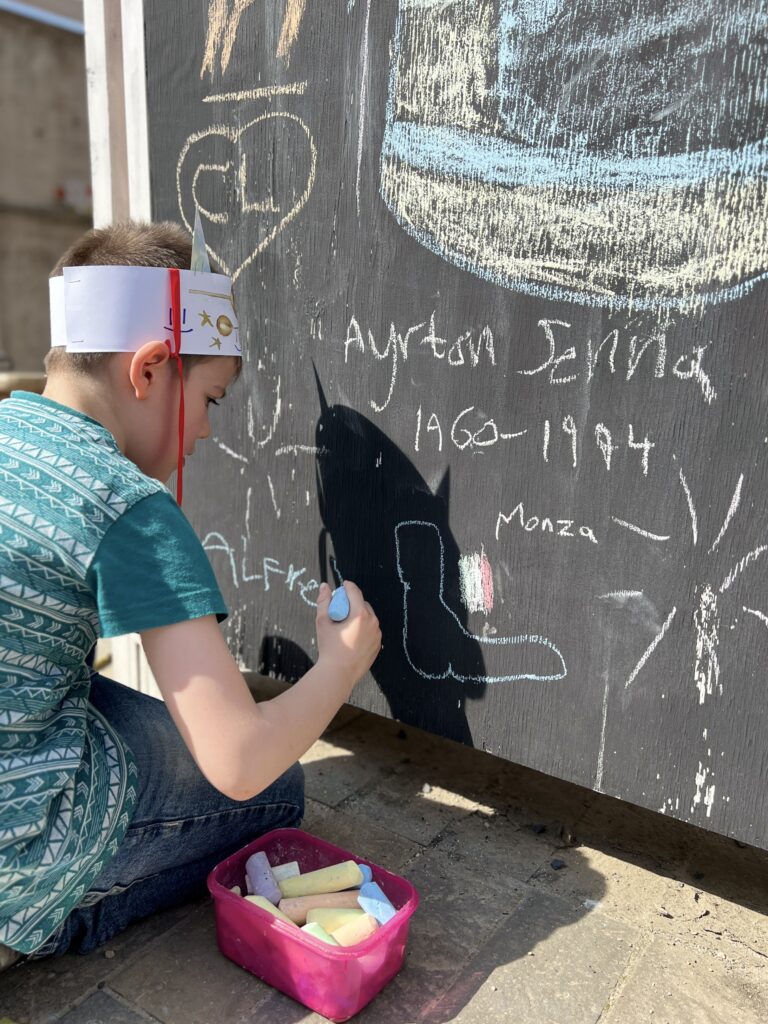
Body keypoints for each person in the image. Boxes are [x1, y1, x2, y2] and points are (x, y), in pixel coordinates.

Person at [0, 220, 381, 964]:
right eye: (211, 397)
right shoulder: (124, 505)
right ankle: (46, 916)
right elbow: (238, 760)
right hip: (20, 841)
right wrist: (340, 665)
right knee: (277, 791)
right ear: (149, 370)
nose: (207, 430)